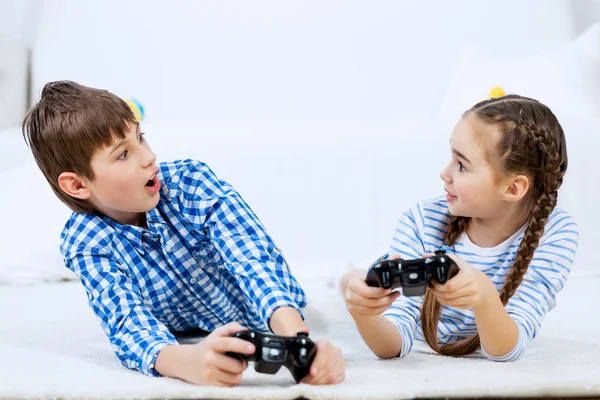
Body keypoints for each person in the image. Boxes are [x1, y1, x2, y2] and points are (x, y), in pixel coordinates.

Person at [22, 81, 345, 386]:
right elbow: (127, 323)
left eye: (141, 137)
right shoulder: (85, 242)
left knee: (333, 285)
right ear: (78, 185)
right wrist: (186, 362)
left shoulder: (191, 182)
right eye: (123, 154)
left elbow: (252, 260)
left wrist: (298, 343)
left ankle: (345, 276)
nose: (149, 157)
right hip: (190, 330)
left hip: (266, 310)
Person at [340, 94, 579, 361]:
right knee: (354, 279)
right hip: (404, 251)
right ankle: (346, 276)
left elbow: (508, 349)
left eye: (462, 165)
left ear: (513, 188)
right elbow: (392, 343)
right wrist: (362, 313)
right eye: (451, 158)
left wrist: (484, 295)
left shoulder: (556, 233)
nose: (445, 173)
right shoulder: (422, 220)